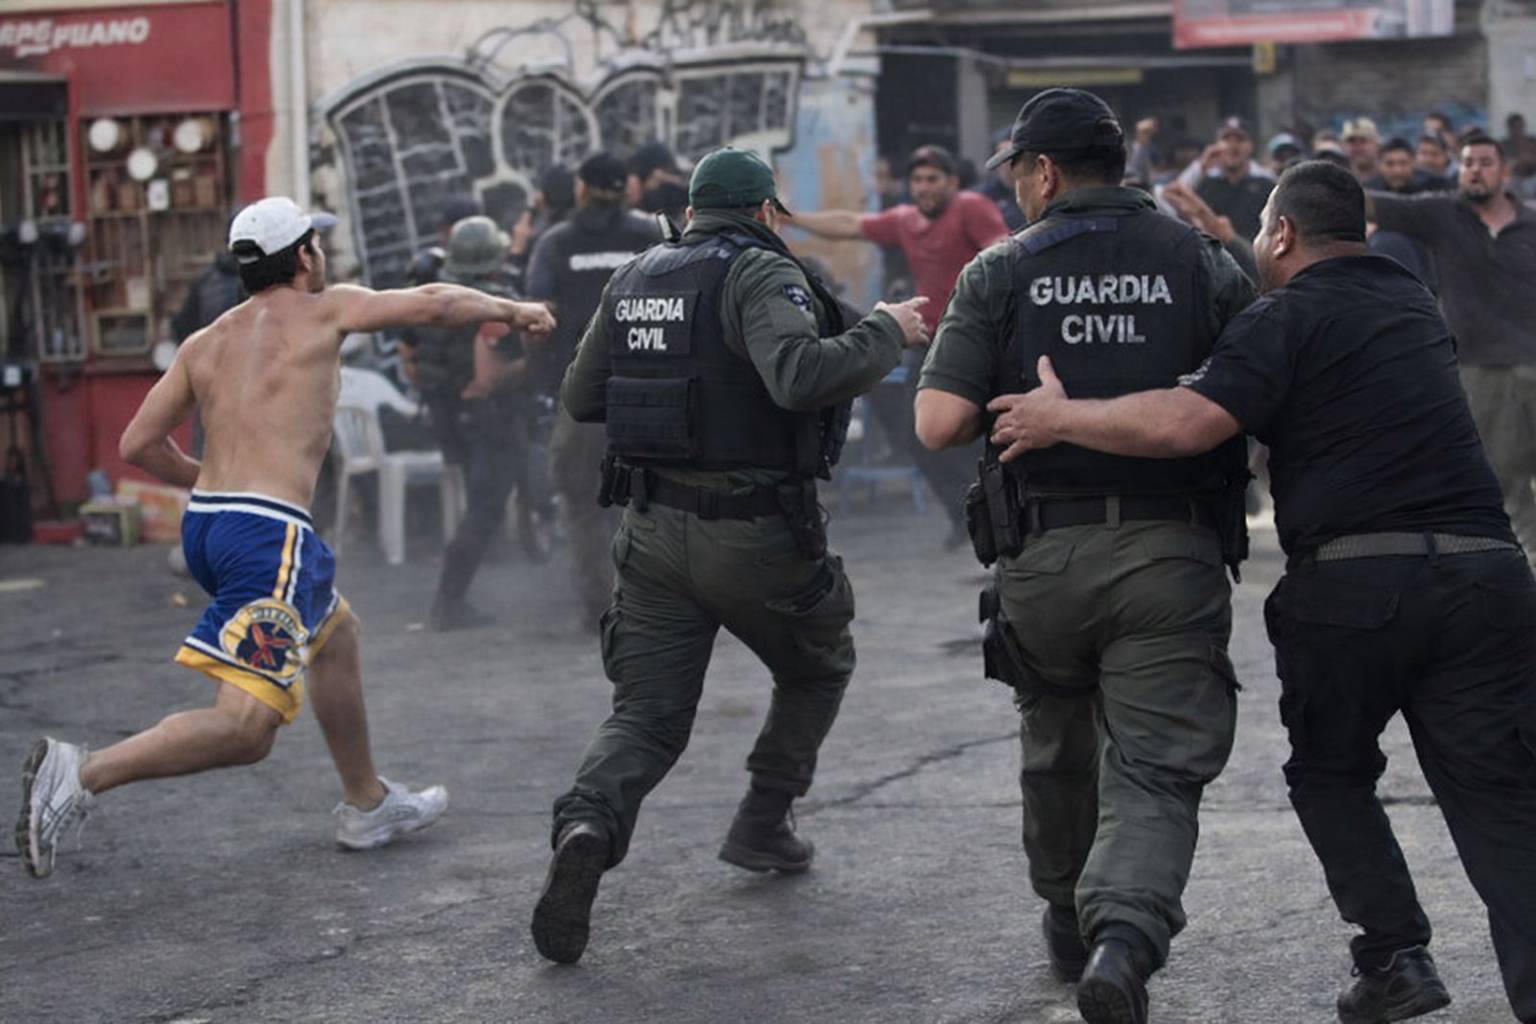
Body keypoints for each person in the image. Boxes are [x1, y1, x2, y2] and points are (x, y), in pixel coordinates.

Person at [986, 159, 1536, 1024]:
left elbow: (1188, 424)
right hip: (1486, 576)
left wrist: (1059, 418)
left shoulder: (1282, 317)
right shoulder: (1412, 305)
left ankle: (1396, 956)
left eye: (1263, 236)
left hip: (1355, 590)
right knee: (1500, 797)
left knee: (1332, 775)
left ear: (1280, 234)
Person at [15, 197, 555, 878]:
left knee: (336, 634)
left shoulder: (205, 341)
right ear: (304, 256)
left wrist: (207, 481)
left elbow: (137, 443)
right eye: (316, 246)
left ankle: (367, 803)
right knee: (247, 731)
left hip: (212, 525)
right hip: (268, 539)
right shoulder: (326, 310)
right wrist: (513, 309)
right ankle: (79, 775)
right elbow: (435, 301)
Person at [530, 147, 930, 966]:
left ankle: (586, 826)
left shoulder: (639, 274)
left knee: (644, 715)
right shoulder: (757, 272)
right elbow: (796, 375)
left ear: (689, 211)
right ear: (765, 212)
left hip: (649, 532)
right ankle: (763, 820)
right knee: (818, 665)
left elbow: (580, 397)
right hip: (751, 532)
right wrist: (888, 330)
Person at [913, 88, 1255, 1024]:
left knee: (1057, 745)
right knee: (1153, 763)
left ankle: (1067, 916)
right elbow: (1266, 388)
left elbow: (938, 422)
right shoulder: (1202, 260)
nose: (1017, 188)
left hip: (1047, 555)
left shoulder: (1001, 268)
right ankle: (1123, 938)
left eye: (1018, 171)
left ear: (1046, 171)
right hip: (1170, 550)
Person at [792, 144, 1010, 545]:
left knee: (969, 435)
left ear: (953, 182)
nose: (924, 188)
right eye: (918, 180)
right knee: (919, 437)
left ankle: (995, 517)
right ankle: (966, 516)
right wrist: (794, 218)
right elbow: (850, 224)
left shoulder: (970, 207)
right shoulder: (905, 220)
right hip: (931, 343)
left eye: (933, 179)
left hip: (975, 339)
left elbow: (1001, 246)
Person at [1365, 133, 1536, 556]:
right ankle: (1528, 572)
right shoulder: (1442, 214)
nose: (1475, 169)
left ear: (1504, 171)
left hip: (1533, 364)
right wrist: (1314, 180)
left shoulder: (1532, 223)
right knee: (1504, 484)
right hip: (1481, 372)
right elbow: (1371, 204)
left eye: (1484, 161)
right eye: (1468, 162)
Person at [525, 152, 662, 626]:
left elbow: (537, 316)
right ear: (626, 188)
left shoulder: (556, 243)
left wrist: (545, 377)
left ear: (580, 189)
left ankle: (600, 606)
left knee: (582, 500)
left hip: (586, 394)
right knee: (657, 499)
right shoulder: (650, 236)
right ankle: (660, 602)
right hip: (656, 390)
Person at [405, 215, 534, 630]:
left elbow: (410, 362)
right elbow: (488, 377)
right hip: (489, 418)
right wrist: (529, 366)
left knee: (485, 502)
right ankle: (449, 603)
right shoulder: (492, 306)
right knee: (483, 508)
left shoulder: (434, 300)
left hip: (449, 418)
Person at [1174, 115, 1275, 241]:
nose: (1233, 146)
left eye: (1240, 139)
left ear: (1250, 146)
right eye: (1226, 139)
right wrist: (1201, 166)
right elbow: (1173, 197)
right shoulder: (1206, 182)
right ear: (1216, 145)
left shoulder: (1265, 183)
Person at [1341, 117, 1381, 182]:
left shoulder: (1391, 177)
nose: (1358, 147)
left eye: (1363, 140)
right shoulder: (1340, 180)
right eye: (1352, 141)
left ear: (1376, 144)